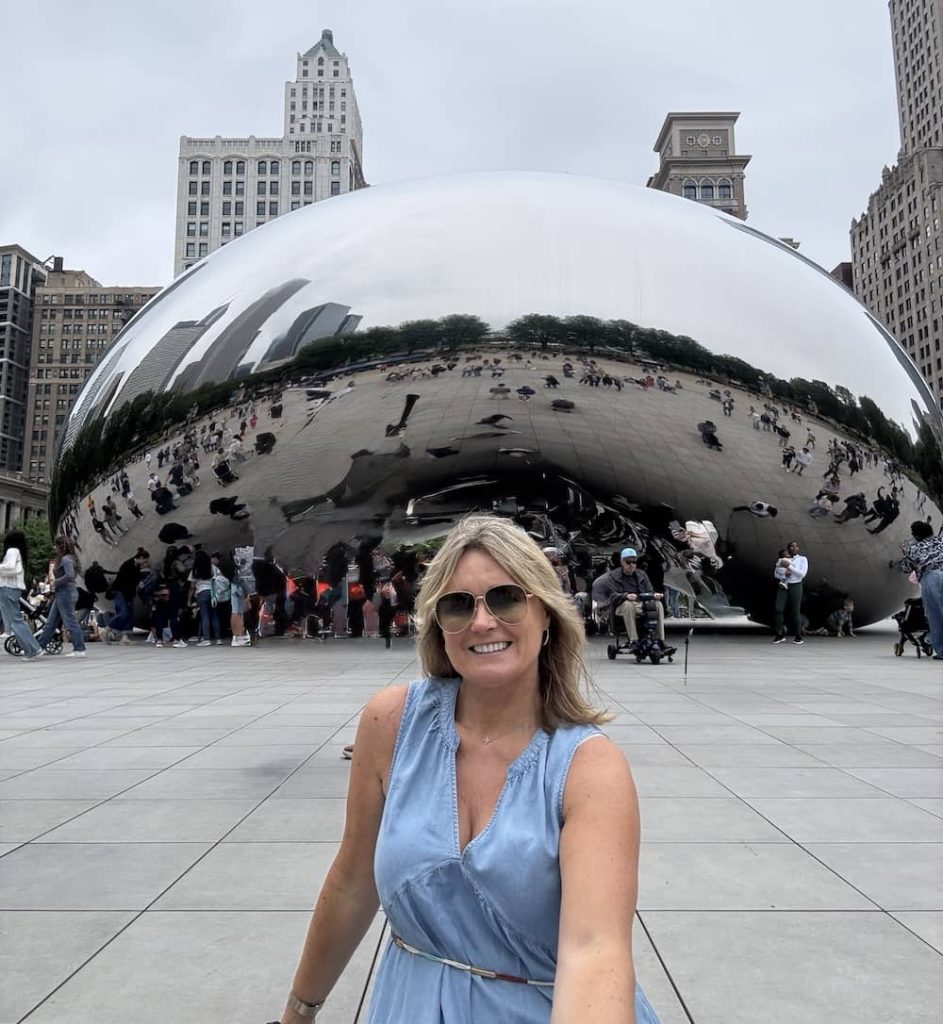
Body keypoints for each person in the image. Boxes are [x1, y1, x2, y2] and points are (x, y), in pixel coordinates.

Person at [275, 515, 661, 1024]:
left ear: (545, 612)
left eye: (505, 598)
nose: (482, 623)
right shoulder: (390, 723)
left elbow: (595, 952)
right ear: (438, 626)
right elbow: (352, 881)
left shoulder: (589, 767)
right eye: (457, 605)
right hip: (408, 1005)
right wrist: (299, 1013)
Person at [592, 547, 666, 645]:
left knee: (657, 604)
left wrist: (654, 595)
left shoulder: (642, 575)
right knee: (628, 604)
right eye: (628, 562)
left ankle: (659, 639)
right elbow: (613, 597)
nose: (631, 565)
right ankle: (633, 640)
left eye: (634, 562)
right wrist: (625, 596)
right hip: (620, 606)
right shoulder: (613, 577)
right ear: (622, 562)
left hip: (641, 604)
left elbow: (649, 591)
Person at [36, 535, 87, 657]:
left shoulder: (66, 559)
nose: (54, 548)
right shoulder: (70, 558)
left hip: (65, 593)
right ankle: (39, 648)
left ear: (60, 546)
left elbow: (70, 575)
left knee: (70, 622)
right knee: (51, 623)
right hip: (63, 593)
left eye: (55, 545)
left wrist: (56, 582)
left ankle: (79, 649)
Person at [899, 520, 943, 658]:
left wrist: (904, 554)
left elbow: (905, 568)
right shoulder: (941, 541)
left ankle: (942, 651)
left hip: (932, 578)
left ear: (916, 535)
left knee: (936, 615)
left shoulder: (915, 548)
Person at [0, 530, 44, 659]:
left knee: (15, 621)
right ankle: (32, 648)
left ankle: (33, 649)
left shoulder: (12, 551)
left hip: (8, 587)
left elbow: (10, 566)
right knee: (15, 620)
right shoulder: (18, 551)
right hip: (13, 588)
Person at [107, 547, 149, 644]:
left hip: (128, 593)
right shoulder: (128, 565)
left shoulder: (136, 566)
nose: (145, 563)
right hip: (120, 591)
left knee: (130, 615)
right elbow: (125, 583)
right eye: (145, 560)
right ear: (141, 558)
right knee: (123, 613)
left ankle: (124, 637)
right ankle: (109, 628)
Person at [773, 540, 808, 645]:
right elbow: (776, 574)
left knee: (795, 611)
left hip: (796, 585)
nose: (793, 548)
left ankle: (798, 635)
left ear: (798, 548)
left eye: (796, 546)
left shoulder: (802, 559)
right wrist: (784, 575)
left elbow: (802, 574)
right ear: (788, 549)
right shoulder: (782, 559)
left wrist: (789, 567)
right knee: (778, 609)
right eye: (791, 547)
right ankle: (780, 633)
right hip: (783, 585)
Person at [188, 548, 222, 646]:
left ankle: (206, 639)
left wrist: (189, 600)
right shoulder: (213, 567)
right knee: (214, 616)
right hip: (213, 593)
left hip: (201, 593)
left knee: (205, 616)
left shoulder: (195, 569)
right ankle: (218, 638)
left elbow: (191, 587)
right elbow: (221, 577)